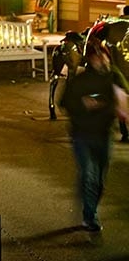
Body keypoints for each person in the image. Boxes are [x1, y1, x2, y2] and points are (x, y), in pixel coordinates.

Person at [60, 46, 122, 233]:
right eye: (96, 58)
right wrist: (83, 103)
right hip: (82, 134)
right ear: (90, 60)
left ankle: (90, 206)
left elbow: (122, 100)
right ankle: (90, 216)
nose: (100, 61)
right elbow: (64, 102)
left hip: (104, 134)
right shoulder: (80, 80)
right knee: (89, 175)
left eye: (103, 57)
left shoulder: (113, 79)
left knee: (100, 179)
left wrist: (109, 105)